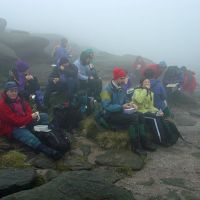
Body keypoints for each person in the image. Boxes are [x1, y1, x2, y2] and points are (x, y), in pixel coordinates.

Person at [100, 67, 156, 155]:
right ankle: (136, 146)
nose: (124, 80)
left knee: (140, 115)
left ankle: (144, 142)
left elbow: (125, 99)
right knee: (133, 118)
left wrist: (130, 103)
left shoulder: (121, 87)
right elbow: (106, 106)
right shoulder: (105, 90)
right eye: (122, 78)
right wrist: (121, 107)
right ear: (116, 78)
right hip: (109, 115)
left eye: (124, 78)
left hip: (120, 112)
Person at [0, 82, 63, 160]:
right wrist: (29, 118)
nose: (14, 93)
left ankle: (46, 135)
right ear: (6, 92)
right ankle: (45, 149)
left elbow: (28, 110)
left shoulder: (20, 99)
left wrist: (30, 117)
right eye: (11, 91)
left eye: (15, 91)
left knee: (44, 116)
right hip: (12, 127)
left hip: (25, 121)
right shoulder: (2, 105)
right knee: (26, 135)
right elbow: (14, 121)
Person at [132, 78, 180, 146]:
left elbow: (151, 106)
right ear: (141, 83)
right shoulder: (137, 91)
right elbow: (139, 100)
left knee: (159, 116)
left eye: (148, 82)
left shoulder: (151, 93)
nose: (147, 83)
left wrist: (158, 111)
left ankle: (168, 137)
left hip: (147, 111)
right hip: (140, 112)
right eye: (145, 82)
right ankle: (161, 140)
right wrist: (145, 90)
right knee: (154, 118)